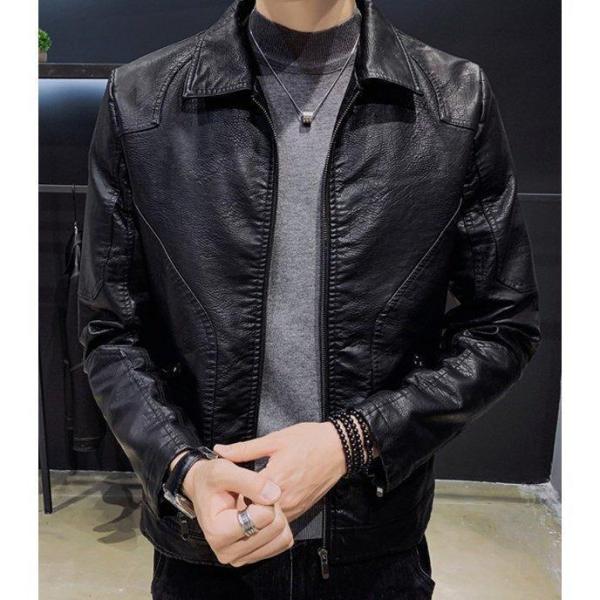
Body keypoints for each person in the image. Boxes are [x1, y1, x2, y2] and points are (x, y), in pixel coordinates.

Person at [78, 0, 540, 598]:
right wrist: (184, 469)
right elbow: (110, 333)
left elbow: (502, 325)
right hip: (207, 549)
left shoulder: (454, 100)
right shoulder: (142, 101)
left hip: (375, 547)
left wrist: (353, 440)